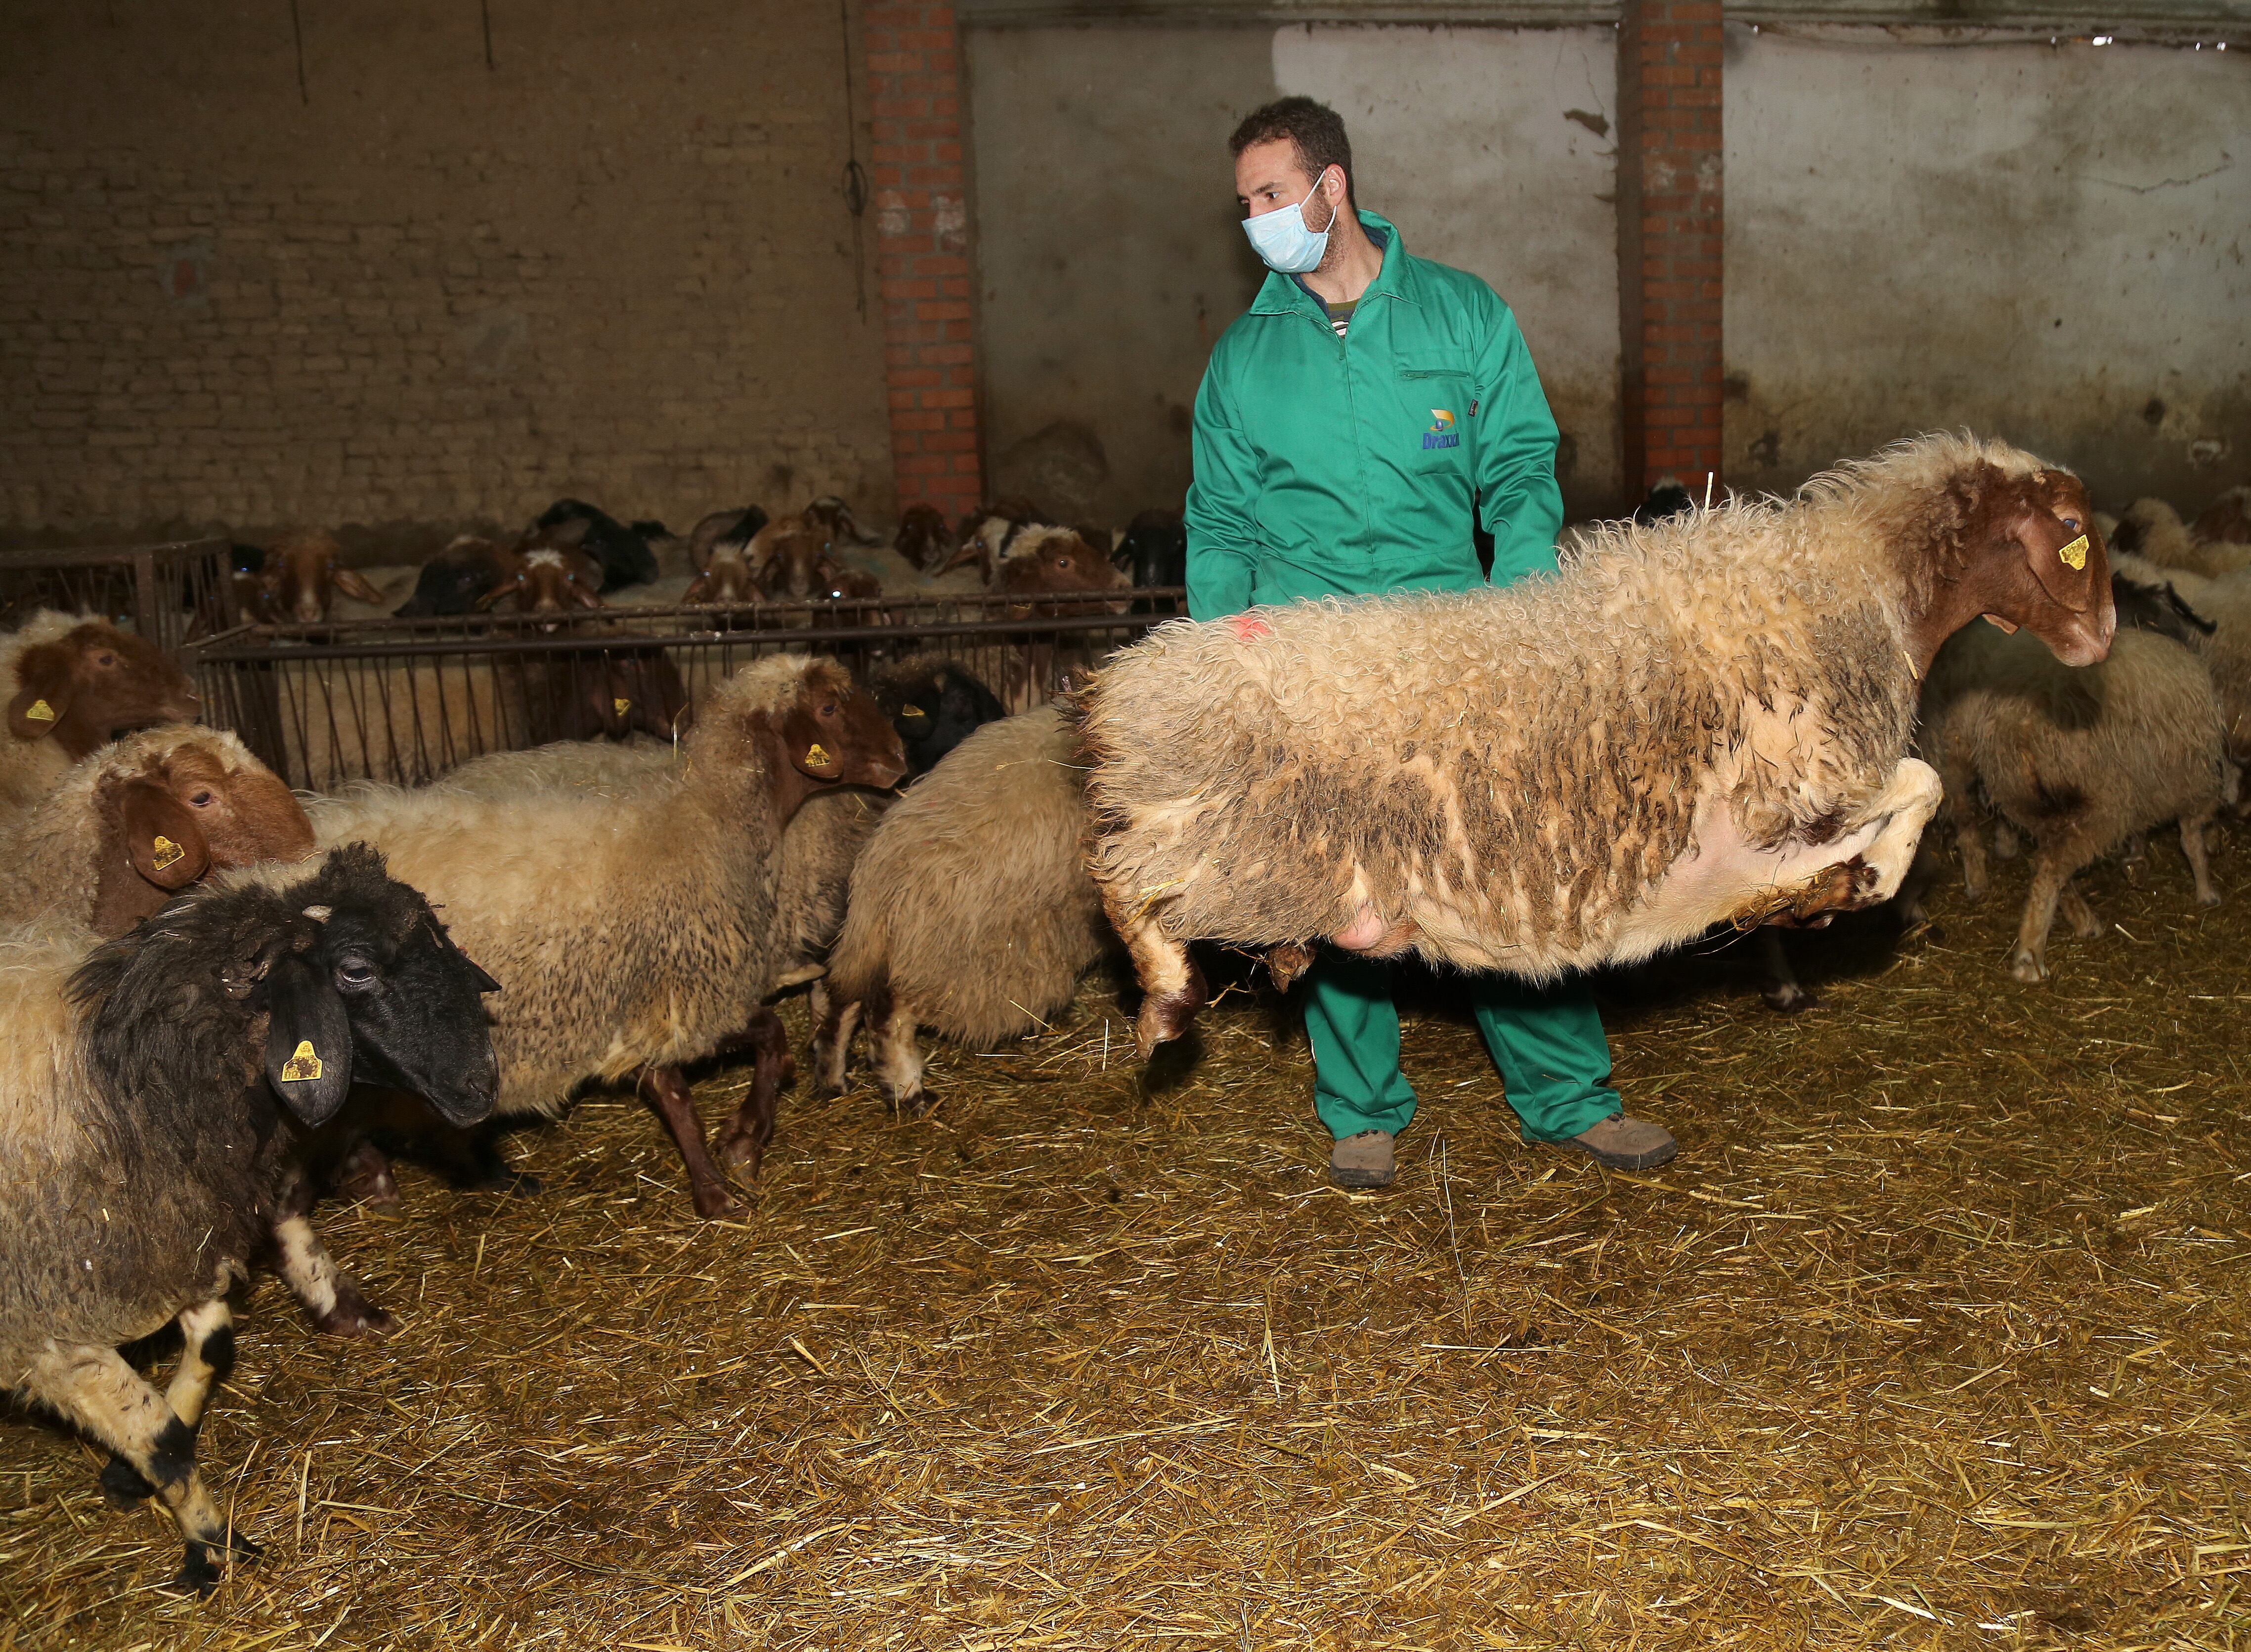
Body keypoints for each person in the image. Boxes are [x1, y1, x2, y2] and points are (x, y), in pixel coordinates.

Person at [1187, 96, 1676, 1190]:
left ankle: (1570, 1099)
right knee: (1343, 892)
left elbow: (1517, 465)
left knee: (1501, 870)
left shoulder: (1462, 317)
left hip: (1453, 654)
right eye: (1245, 204)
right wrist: (1222, 658)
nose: (1255, 220)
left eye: (1270, 195)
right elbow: (1219, 521)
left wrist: (1523, 607)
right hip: (1316, 668)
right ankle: (1362, 1111)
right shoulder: (1244, 362)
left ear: (1331, 187)